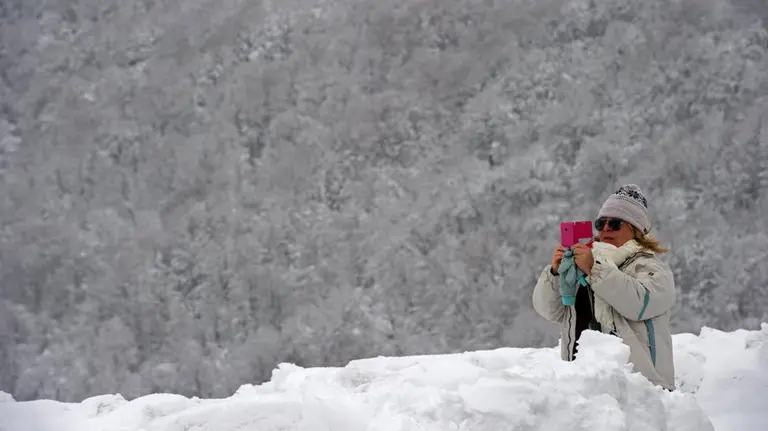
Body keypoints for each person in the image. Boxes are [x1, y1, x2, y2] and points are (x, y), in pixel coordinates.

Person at [532, 184, 677, 391]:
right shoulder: (583, 267)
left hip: (644, 393)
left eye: (615, 223)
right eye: (601, 223)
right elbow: (550, 311)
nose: (606, 229)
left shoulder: (651, 268)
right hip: (585, 388)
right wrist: (555, 274)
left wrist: (594, 270)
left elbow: (640, 303)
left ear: (635, 230)